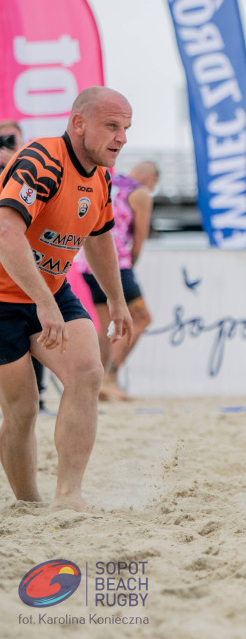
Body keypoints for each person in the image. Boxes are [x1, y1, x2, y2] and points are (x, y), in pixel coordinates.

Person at [0, 86, 134, 511]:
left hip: (51, 292)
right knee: (21, 410)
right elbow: (6, 231)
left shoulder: (101, 177)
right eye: (112, 126)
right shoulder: (41, 158)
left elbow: (99, 240)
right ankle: (29, 503)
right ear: (79, 123)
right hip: (5, 298)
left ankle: (69, 494)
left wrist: (116, 299)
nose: (122, 138)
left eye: (126, 128)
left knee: (87, 373)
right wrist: (42, 301)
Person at [78, 161, 160, 401]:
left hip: (86, 262)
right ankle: (110, 379)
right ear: (151, 178)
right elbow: (139, 239)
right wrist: (130, 266)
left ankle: (99, 384)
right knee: (142, 318)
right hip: (114, 264)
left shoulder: (107, 183)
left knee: (105, 328)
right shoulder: (142, 194)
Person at [0, 120, 49, 410]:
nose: (5, 147)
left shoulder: (30, 167)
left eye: (11, 141)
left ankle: (40, 393)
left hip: (25, 269)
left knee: (37, 331)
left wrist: (13, 163)